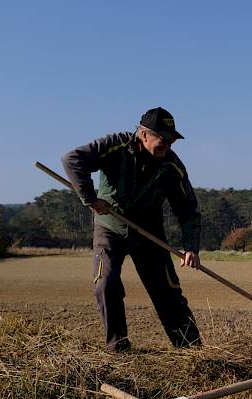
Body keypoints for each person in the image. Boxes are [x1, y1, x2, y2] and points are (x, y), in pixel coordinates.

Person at [62, 106, 203, 352]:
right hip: (110, 228)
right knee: (106, 284)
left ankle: (193, 351)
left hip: (149, 234)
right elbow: (72, 160)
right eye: (164, 139)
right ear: (144, 134)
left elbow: (188, 209)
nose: (168, 145)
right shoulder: (115, 146)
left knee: (167, 291)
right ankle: (118, 349)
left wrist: (191, 247)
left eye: (172, 141)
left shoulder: (172, 167)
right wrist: (90, 198)